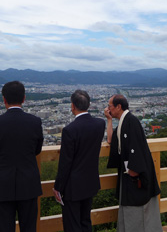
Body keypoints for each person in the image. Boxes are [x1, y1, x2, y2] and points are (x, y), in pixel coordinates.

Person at [0, 81, 44, 232]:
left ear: (4, 99)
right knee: (29, 227)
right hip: (29, 182)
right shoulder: (35, 122)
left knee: (4, 228)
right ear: (24, 98)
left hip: (3, 183)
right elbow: (37, 150)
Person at [104, 94, 162, 231]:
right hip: (129, 173)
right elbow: (111, 141)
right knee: (129, 205)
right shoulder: (124, 122)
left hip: (135, 174)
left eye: (109, 106)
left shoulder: (131, 121)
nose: (108, 109)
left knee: (138, 207)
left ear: (119, 106)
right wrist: (109, 120)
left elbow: (136, 147)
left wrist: (134, 171)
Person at [53, 90, 105, 232]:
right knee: (85, 221)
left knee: (72, 224)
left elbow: (65, 163)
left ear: (73, 106)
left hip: (73, 186)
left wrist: (58, 187)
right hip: (90, 182)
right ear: (88, 105)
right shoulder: (100, 124)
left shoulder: (70, 130)